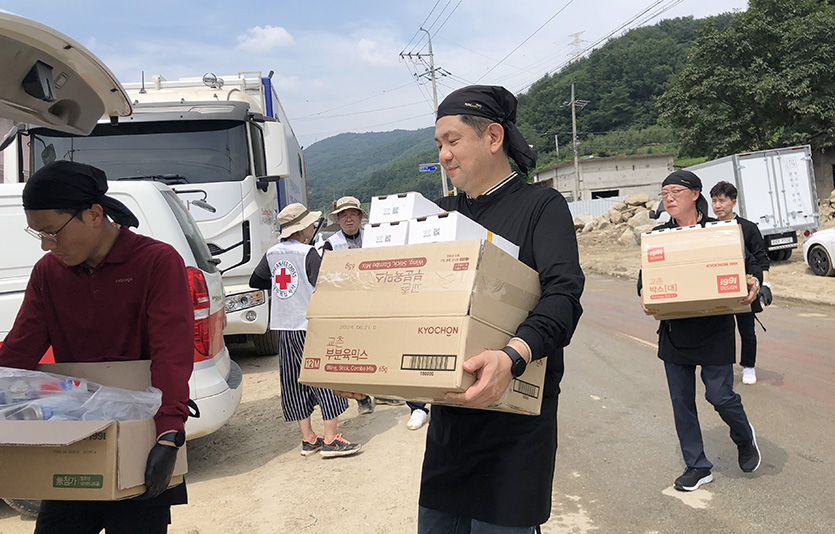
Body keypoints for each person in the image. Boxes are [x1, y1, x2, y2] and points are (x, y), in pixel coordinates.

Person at [422, 85, 585, 532]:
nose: (444, 155)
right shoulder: (439, 217)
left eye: (453, 141)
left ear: (493, 137)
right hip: (450, 427)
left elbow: (563, 296)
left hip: (514, 427)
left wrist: (513, 356)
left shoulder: (541, 207)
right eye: (438, 145)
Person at [0, 161, 192, 533]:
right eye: (38, 234)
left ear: (93, 214)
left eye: (52, 232)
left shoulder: (156, 262)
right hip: (72, 439)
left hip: (140, 436)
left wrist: (169, 431)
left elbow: (172, 353)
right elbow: (18, 353)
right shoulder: (48, 274)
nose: (46, 245)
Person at [638, 170, 763, 492]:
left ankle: (743, 436)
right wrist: (644, 295)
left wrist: (754, 281)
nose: (668, 198)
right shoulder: (659, 237)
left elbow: (748, 265)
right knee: (682, 402)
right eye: (664, 192)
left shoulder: (719, 232)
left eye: (675, 191)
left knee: (720, 395)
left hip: (714, 327)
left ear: (695, 194)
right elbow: (645, 279)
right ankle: (697, 466)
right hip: (675, 331)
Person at [249, 203, 361, 458]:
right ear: (301, 229)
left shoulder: (273, 253)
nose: (312, 227)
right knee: (324, 377)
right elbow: (324, 284)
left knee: (294, 380)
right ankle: (331, 439)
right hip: (308, 325)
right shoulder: (308, 253)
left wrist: (280, 281)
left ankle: (309, 439)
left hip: (283, 327)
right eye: (309, 223)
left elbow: (255, 281)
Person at [710, 181, 772, 384]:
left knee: (747, 329)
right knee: (720, 329)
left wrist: (765, 284)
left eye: (722, 200)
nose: (717, 205)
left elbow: (761, 259)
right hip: (716, 288)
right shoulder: (708, 228)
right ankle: (722, 364)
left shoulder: (747, 228)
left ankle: (748, 367)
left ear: (733, 202)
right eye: (714, 201)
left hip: (745, 287)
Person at [321, 196, 376, 415]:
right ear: (338, 219)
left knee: (376, 347)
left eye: (352, 214)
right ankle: (362, 396)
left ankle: (384, 391)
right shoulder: (331, 244)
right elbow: (324, 275)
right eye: (343, 215)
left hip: (373, 299)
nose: (348, 219)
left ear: (361, 216)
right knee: (355, 352)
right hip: (345, 304)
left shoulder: (373, 237)